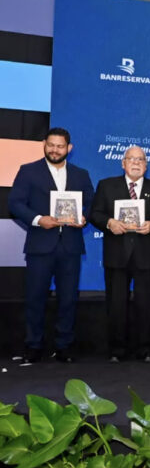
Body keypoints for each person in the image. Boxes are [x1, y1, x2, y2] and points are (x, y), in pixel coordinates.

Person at [8, 127, 94, 364]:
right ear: (44, 144)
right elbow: (15, 203)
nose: (55, 150)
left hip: (70, 246)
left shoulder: (81, 174)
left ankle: (63, 346)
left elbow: (90, 203)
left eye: (60, 146)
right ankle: (33, 346)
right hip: (40, 246)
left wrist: (84, 217)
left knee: (68, 300)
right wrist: (38, 219)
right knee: (35, 298)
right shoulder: (28, 172)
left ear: (69, 148)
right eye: (51, 145)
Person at [89, 146, 150, 363]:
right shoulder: (106, 186)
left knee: (148, 304)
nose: (136, 163)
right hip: (116, 253)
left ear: (146, 164)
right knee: (116, 304)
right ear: (123, 163)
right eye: (131, 159)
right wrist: (109, 222)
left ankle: (147, 349)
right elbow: (94, 213)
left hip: (147, 255)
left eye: (141, 159)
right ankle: (117, 350)